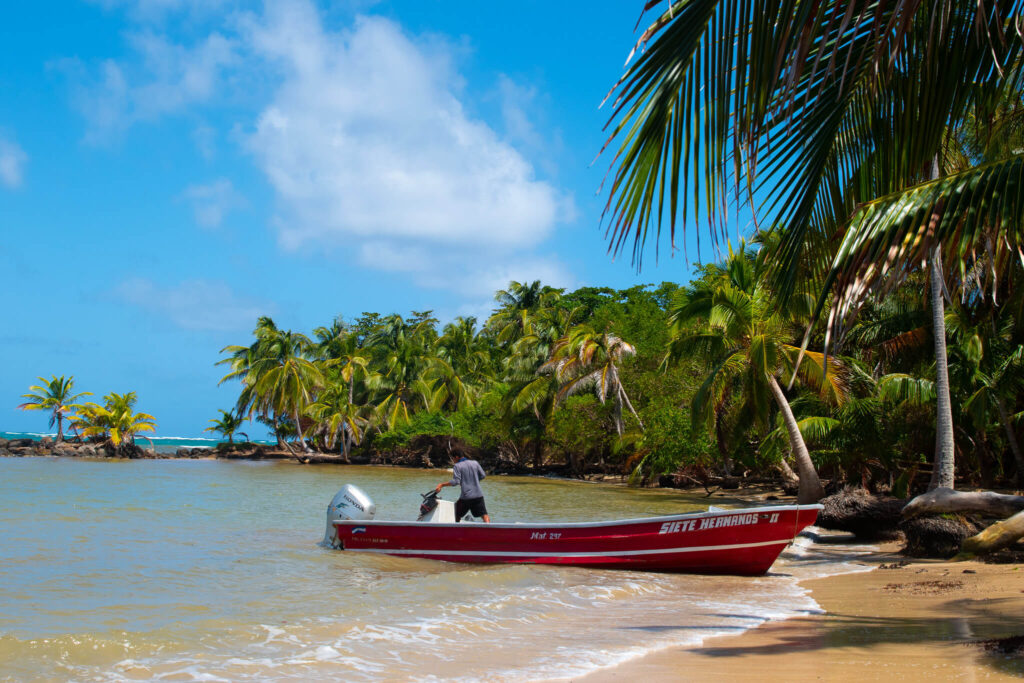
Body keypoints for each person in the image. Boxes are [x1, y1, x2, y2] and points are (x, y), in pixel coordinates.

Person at [435, 454, 490, 523]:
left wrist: (442, 485)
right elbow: (483, 475)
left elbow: (456, 482)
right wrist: (473, 481)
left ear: (457, 457)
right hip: (478, 495)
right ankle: (488, 530)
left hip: (466, 497)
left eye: (453, 458)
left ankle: (457, 531)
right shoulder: (475, 463)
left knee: (456, 514)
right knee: (484, 515)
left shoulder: (457, 466)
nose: (453, 461)